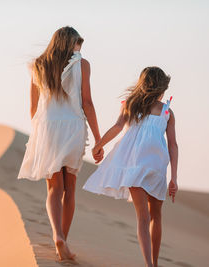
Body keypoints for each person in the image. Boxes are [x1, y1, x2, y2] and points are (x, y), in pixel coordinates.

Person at [17, 26, 103, 261]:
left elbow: (33, 108)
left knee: (54, 188)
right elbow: (87, 102)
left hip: (47, 127)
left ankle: (58, 236)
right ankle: (63, 239)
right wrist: (98, 139)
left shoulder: (38, 65)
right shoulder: (82, 64)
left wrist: (38, 136)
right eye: (78, 45)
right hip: (73, 127)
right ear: (71, 43)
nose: (79, 50)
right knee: (70, 188)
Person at [83, 66, 178, 267]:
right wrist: (174, 178)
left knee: (143, 218)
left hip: (134, 166)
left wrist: (99, 145)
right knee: (156, 216)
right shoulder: (167, 112)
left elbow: (118, 128)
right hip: (156, 167)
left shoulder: (131, 105)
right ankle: (154, 263)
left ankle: (149, 264)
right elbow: (173, 145)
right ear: (161, 87)